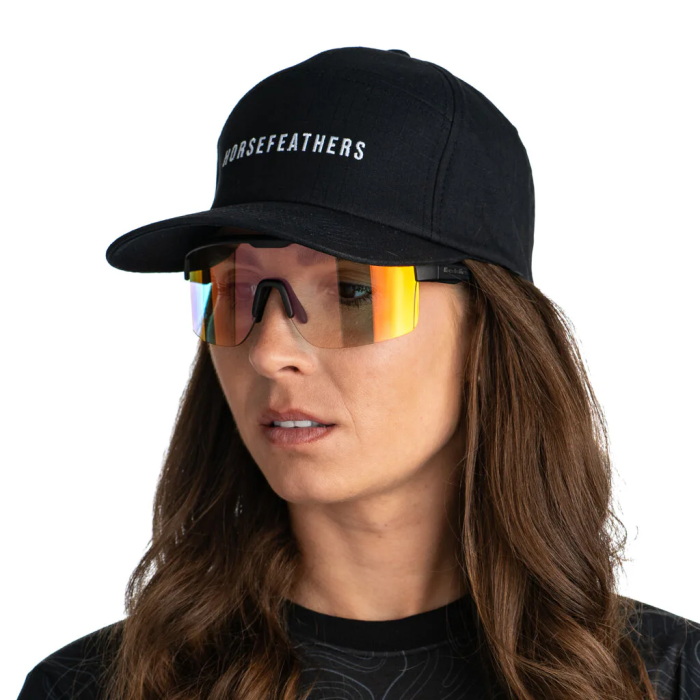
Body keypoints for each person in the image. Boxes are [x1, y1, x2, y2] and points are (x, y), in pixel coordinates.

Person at [17, 46, 700, 700]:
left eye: (350, 293)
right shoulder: (92, 689)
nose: (268, 352)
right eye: (234, 291)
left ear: (487, 331)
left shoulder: (668, 680)